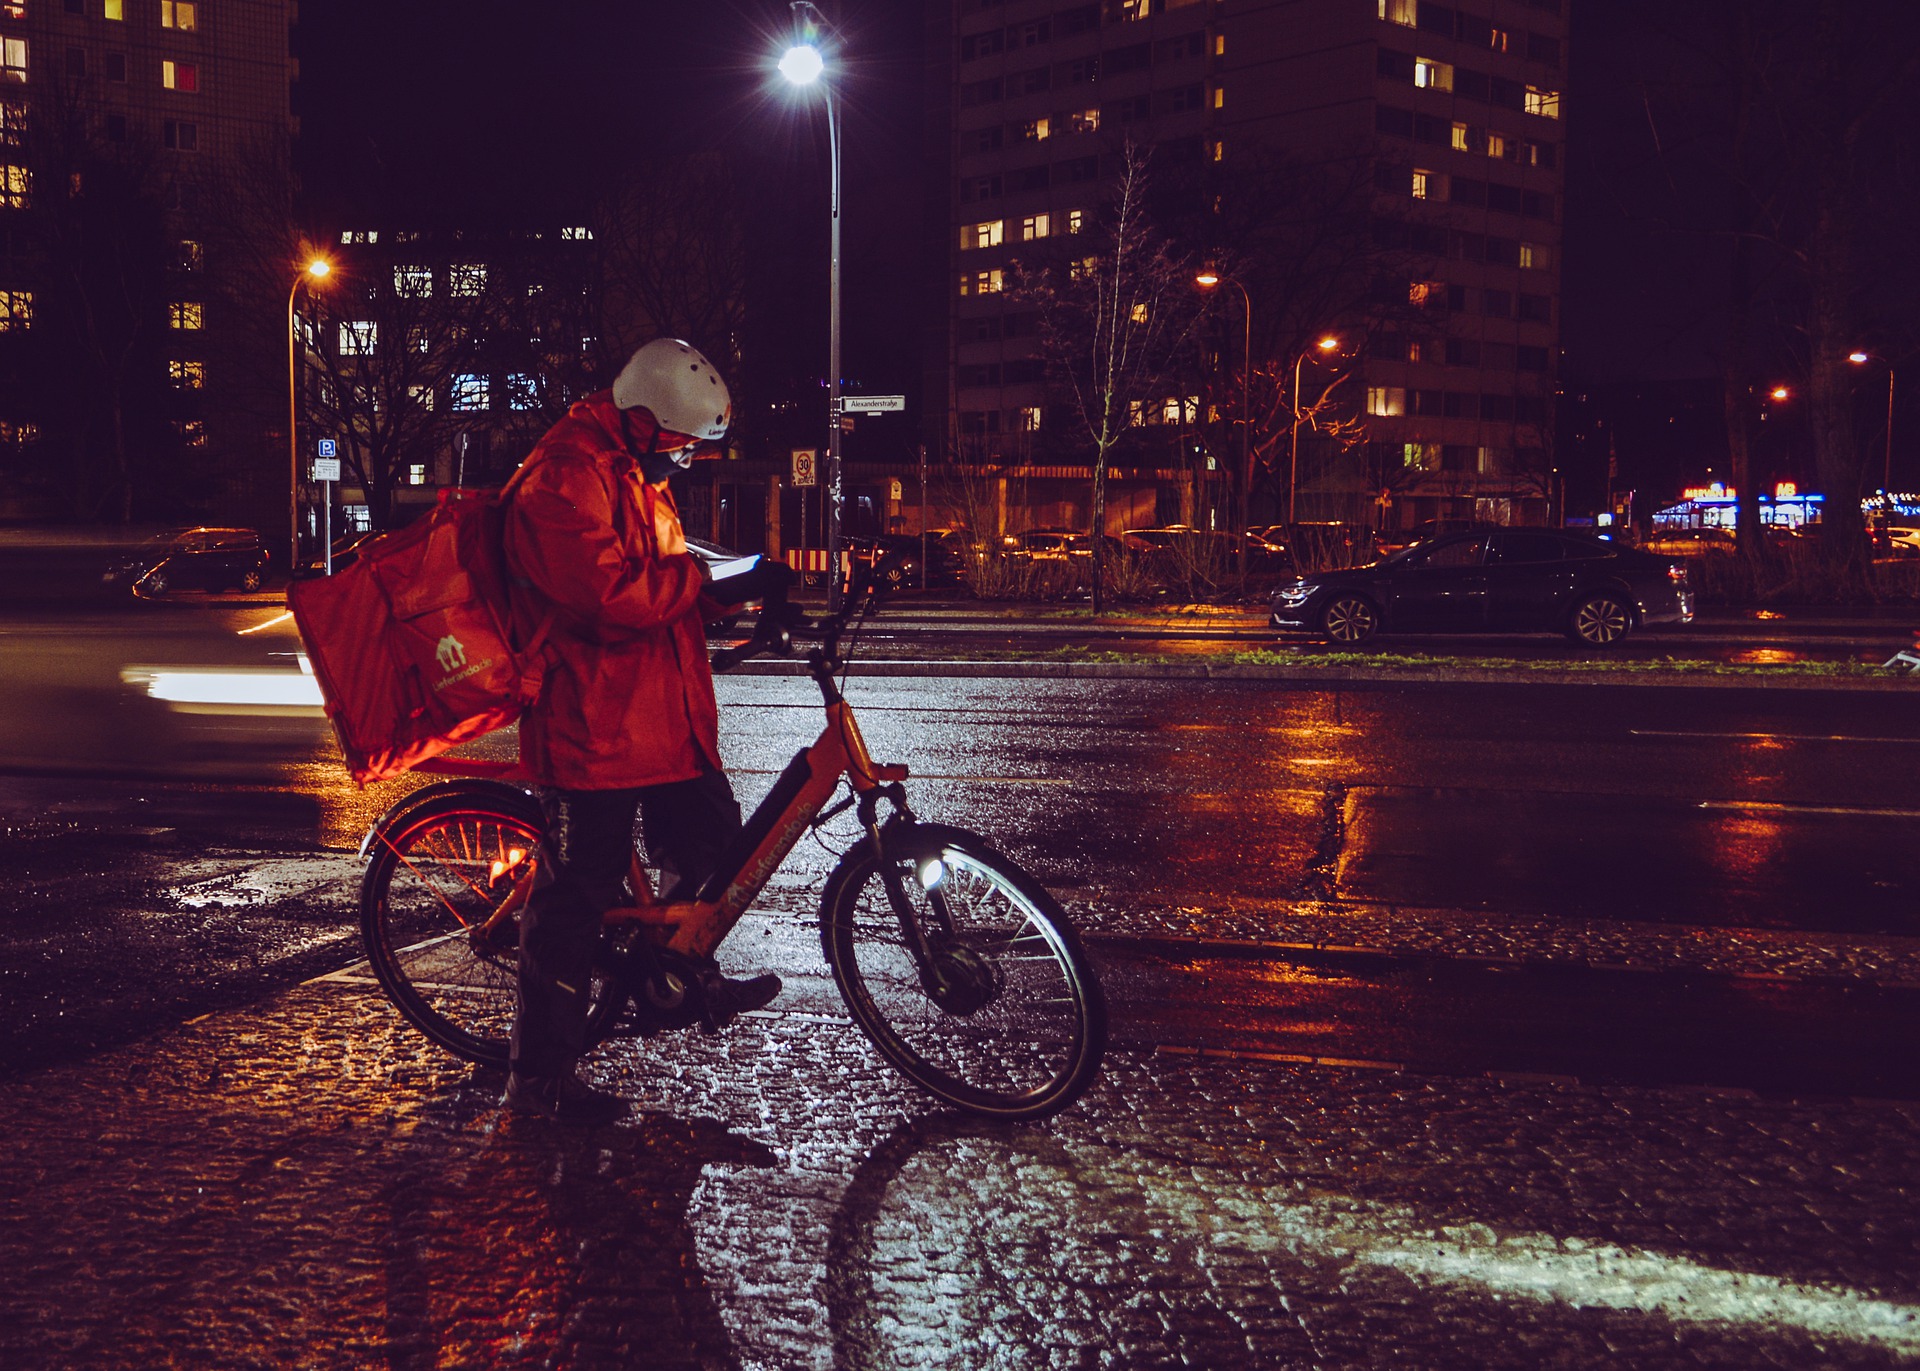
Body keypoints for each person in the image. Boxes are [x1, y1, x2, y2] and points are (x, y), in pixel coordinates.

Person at [498, 338, 785, 1124]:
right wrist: (705, 581)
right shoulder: (563, 478)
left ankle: (672, 974)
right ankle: (537, 1082)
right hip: (590, 725)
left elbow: (667, 567)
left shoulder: (631, 466)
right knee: (571, 908)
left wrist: (739, 583)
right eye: (682, 442)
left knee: (718, 852)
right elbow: (611, 594)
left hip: (659, 718)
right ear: (641, 418)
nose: (688, 458)